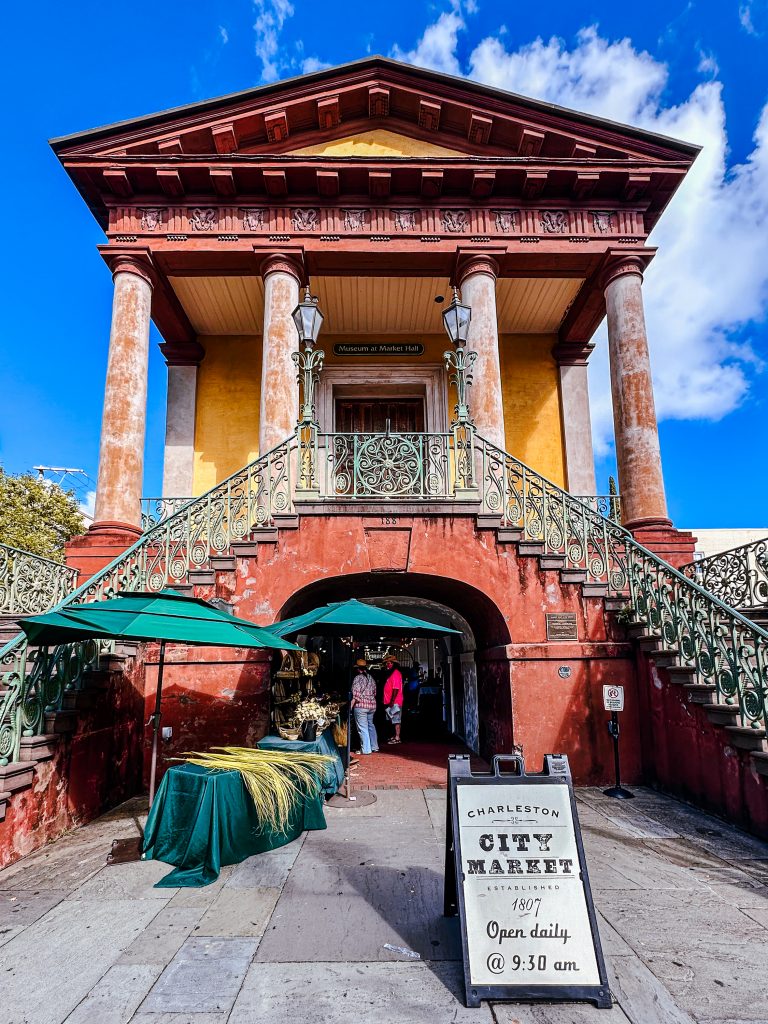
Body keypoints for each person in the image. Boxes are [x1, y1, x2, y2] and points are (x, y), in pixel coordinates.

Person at [350, 658, 379, 755]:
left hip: (361, 706)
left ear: (357, 669)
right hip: (372, 705)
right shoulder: (371, 677)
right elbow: (375, 692)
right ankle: (374, 746)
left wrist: (350, 706)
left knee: (363, 727)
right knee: (371, 725)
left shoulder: (358, 678)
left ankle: (366, 749)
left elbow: (356, 694)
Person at [383, 657, 404, 744]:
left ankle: (397, 737)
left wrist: (392, 701)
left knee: (396, 720)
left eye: (389, 663)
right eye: (387, 663)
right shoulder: (391, 673)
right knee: (393, 720)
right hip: (391, 701)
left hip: (395, 702)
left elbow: (396, 688)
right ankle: (395, 735)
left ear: (393, 663)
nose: (387, 665)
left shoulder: (395, 673)